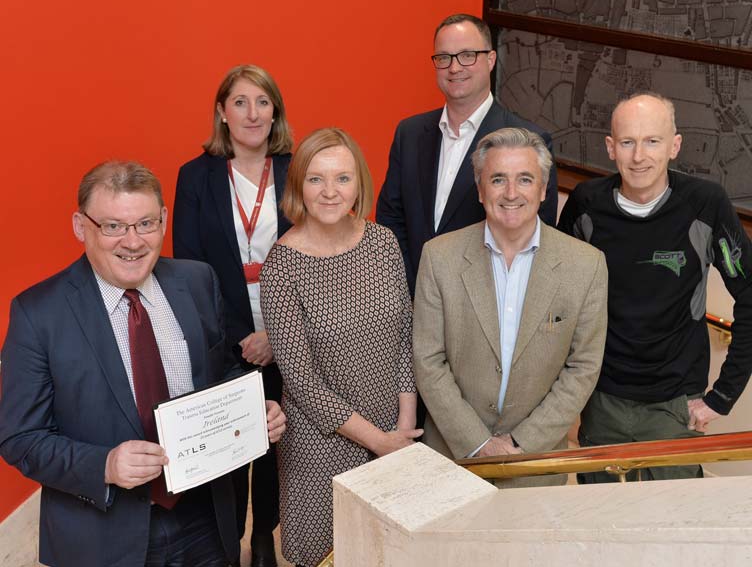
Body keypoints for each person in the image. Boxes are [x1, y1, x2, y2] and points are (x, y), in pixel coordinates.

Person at [0, 161, 287, 567]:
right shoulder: (38, 314)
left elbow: (224, 372)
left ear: (165, 221)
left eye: (145, 224)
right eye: (113, 226)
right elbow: (20, 437)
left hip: (207, 518)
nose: (132, 242)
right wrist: (104, 465)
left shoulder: (198, 282)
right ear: (81, 227)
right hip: (102, 535)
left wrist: (253, 407)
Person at [558, 92, 752, 482]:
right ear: (610, 148)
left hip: (677, 405)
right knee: (598, 522)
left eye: (652, 141)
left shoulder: (705, 205)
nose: (639, 156)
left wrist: (722, 398)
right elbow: (557, 298)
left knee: (673, 524)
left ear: (674, 146)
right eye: (627, 142)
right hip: (602, 401)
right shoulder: (586, 204)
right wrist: (565, 397)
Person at [260, 128, 421, 566]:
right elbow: (301, 381)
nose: (330, 192)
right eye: (315, 179)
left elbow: (405, 338)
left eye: (342, 179)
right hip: (320, 446)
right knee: (327, 555)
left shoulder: (384, 243)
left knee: (390, 551)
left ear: (359, 184)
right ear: (298, 186)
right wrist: (378, 442)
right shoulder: (282, 267)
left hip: (394, 429)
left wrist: (402, 429)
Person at [413, 128, 607, 487]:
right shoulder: (439, 257)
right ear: (480, 188)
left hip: (535, 464)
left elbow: (583, 368)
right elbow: (428, 360)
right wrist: (478, 443)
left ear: (544, 189)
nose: (512, 193)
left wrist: (521, 443)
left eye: (525, 179)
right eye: (498, 179)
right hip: (452, 459)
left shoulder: (587, 265)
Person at [173, 64, 293, 565]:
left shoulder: (296, 166)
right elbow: (189, 266)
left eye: (262, 102)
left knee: (277, 440)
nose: (251, 113)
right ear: (222, 112)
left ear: (275, 112)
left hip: (290, 327)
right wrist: (245, 333)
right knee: (234, 440)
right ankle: (228, 542)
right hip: (226, 335)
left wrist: (274, 332)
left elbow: (315, 252)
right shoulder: (195, 175)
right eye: (240, 102)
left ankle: (264, 535)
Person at [376, 13, 559, 299]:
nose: (454, 67)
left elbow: (535, 236)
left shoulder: (528, 141)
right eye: (444, 57)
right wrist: (412, 286)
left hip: (486, 303)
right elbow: (390, 220)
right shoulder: (409, 133)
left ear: (490, 60)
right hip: (413, 297)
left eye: (467, 55)